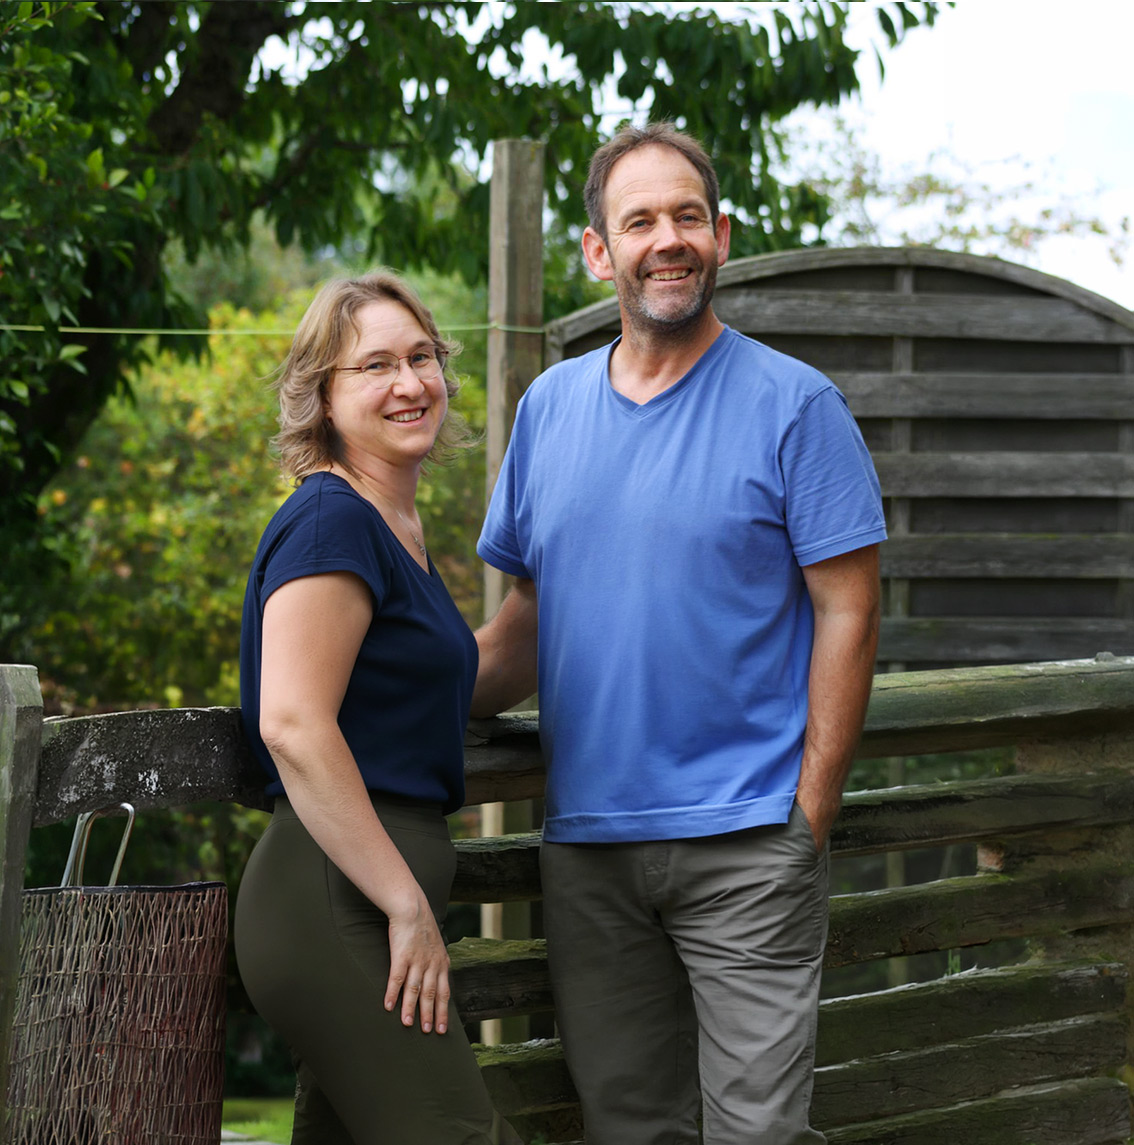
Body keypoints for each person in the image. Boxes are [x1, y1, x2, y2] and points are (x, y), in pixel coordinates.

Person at [473, 123, 886, 1145]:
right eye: (642, 219)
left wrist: (809, 813)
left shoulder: (797, 406)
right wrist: (389, 693)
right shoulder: (548, 408)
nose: (670, 239)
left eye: (688, 216)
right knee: (631, 1128)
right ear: (598, 251)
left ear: (722, 235)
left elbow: (851, 609)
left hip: (749, 841)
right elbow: (525, 624)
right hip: (590, 850)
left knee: (756, 1132)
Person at [235, 271, 507, 1145]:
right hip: (337, 896)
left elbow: (434, 686)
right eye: (375, 365)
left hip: (366, 892)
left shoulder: (394, 526)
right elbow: (292, 722)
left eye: (422, 357)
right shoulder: (333, 521)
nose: (410, 383)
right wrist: (403, 901)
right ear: (322, 395)